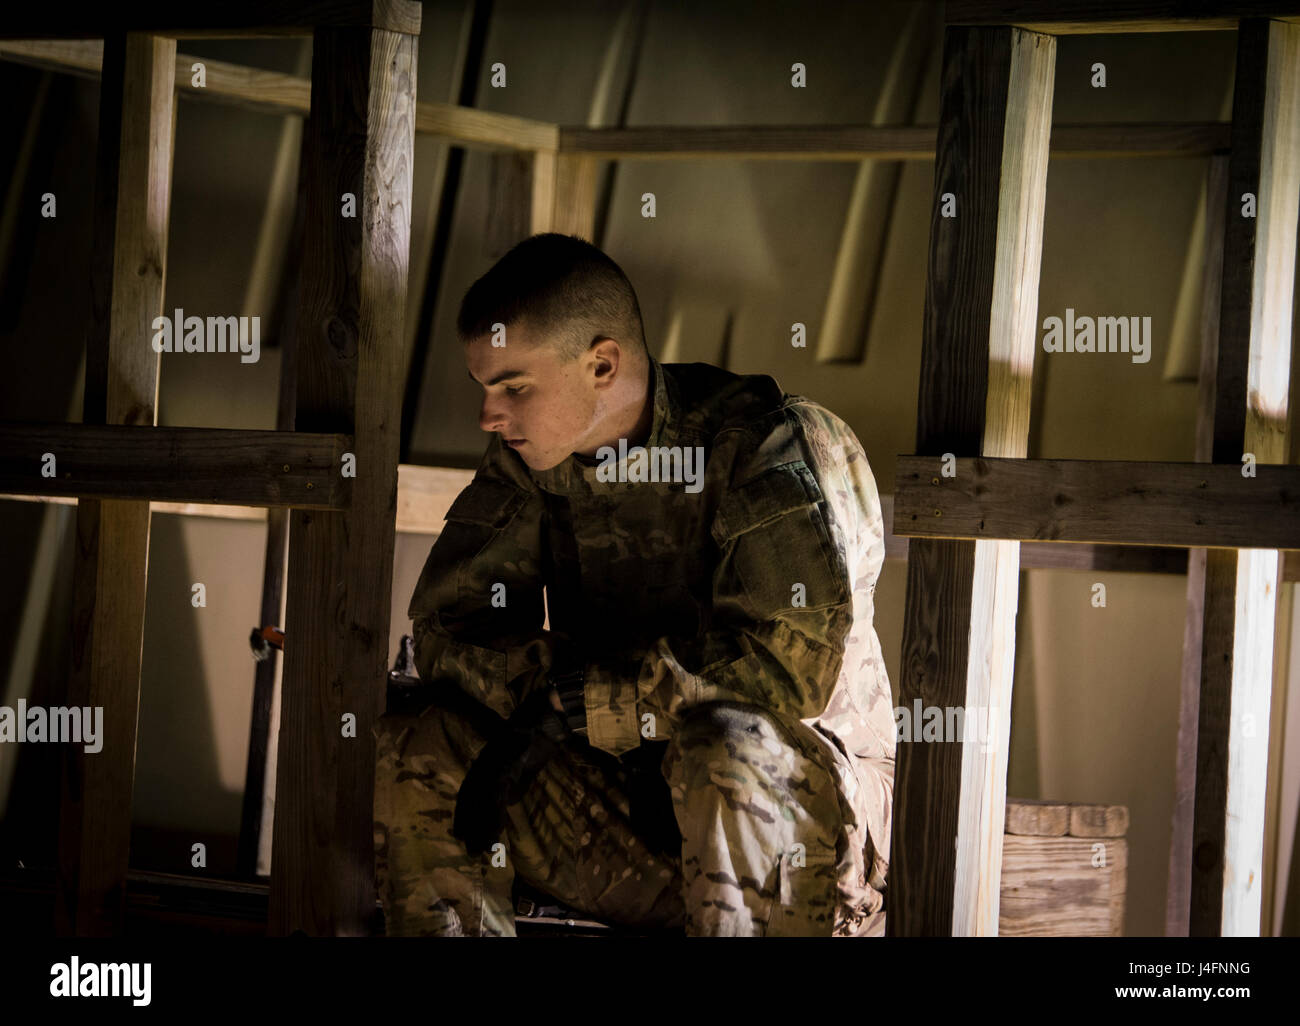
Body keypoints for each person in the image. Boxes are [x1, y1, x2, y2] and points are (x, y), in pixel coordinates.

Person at [373, 232, 895, 936]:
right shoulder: (533, 462)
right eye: (485, 388)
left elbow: (786, 672)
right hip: (635, 819)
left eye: (514, 387)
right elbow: (447, 628)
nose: (488, 417)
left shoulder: (765, 447)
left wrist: (594, 702)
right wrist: (550, 700)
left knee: (724, 746)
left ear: (602, 364)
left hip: (801, 840)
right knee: (416, 741)